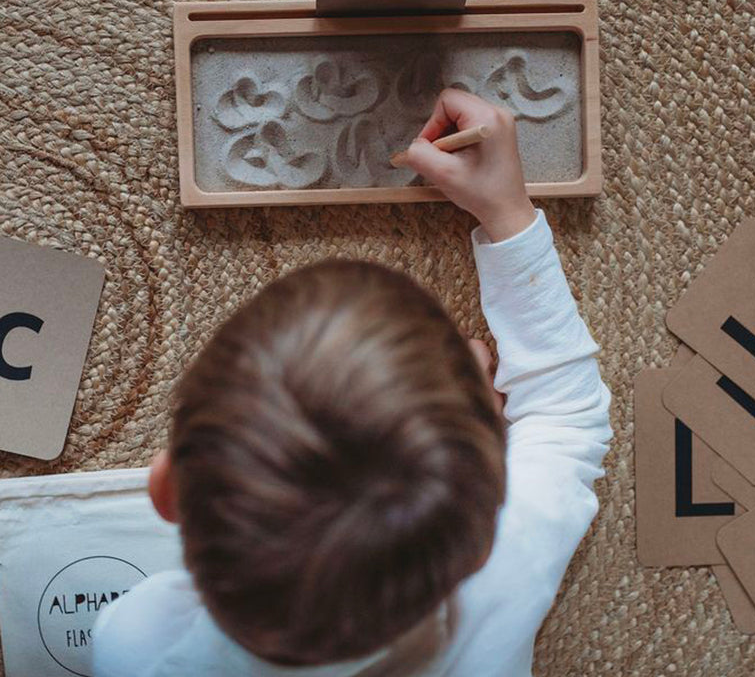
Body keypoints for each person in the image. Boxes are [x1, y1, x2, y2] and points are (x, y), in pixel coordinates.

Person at [93, 89, 612, 677]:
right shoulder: (504, 575)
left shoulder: (133, 647)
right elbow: (569, 417)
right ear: (482, 541)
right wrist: (508, 216)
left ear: (166, 490)